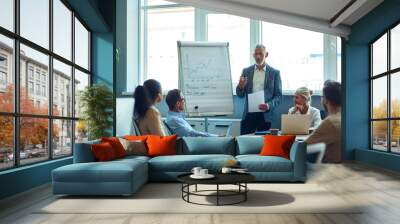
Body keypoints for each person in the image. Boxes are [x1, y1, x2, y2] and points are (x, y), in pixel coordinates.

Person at [236, 44, 282, 135]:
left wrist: (268, 105)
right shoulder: (246, 71)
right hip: (249, 114)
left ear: (266, 54)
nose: (258, 56)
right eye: (255, 54)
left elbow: (279, 96)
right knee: (244, 142)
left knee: (264, 144)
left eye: (261, 54)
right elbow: (240, 95)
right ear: (253, 55)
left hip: (266, 115)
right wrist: (240, 87)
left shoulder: (275, 73)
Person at [305, 80, 341, 163]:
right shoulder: (345, 118)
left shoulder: (330, 122)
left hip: (330, 169)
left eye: (322, 96)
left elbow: (303, 146)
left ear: (325, 100)